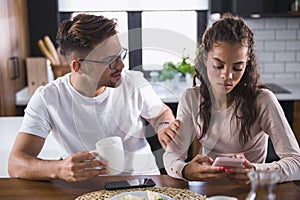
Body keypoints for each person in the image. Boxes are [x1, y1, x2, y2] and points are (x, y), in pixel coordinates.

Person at [8, 14, 175, 182]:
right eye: (111, 61)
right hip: (87, 190)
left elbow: (160, 113)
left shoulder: (133, 82)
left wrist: (163, 126)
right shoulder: (48, 98)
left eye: (121, 55)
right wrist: (58, 169)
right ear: (78, 66)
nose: (122, 66)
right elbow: (16, 164)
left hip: (143, 182)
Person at [163, 13, 300, 183]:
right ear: (205, 58)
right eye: (218, 65)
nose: (227, 76)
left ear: (247, 64)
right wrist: (185, 170)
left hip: (250, 191)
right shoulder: (191, 98)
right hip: (208, 190)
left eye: (237, 67)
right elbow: (172, 156)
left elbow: (296, 163)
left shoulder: (263, 100)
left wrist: (256, 171)